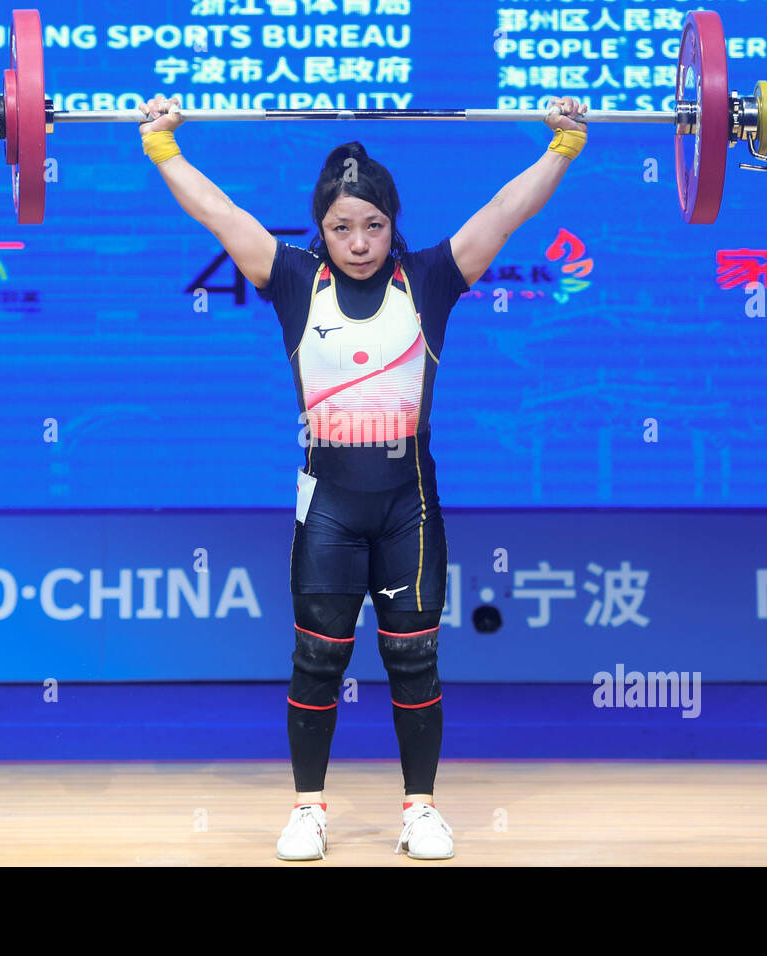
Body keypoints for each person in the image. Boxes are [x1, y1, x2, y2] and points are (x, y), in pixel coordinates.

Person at [137, 92, 588, 860]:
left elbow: (505, 212)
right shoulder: (291, 280)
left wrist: (562, 146)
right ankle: (308, 810)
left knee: (414, 655)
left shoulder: (431, 280)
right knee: (318, 657)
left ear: (393, 224)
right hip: (329, 511)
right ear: (320, 228)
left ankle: (420, 810)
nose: (357, 241)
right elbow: (218, 213)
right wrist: (164, 148)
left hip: (409, 507)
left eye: (373, 226)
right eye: (341, 227)